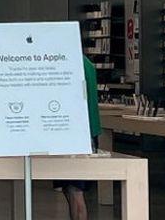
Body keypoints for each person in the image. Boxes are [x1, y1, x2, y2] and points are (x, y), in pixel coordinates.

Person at [56, 56, 102, 220]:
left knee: (75, 190)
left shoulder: (71, 62)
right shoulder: (85, 62)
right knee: (70, 189)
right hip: (84, 131)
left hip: (77, 133)